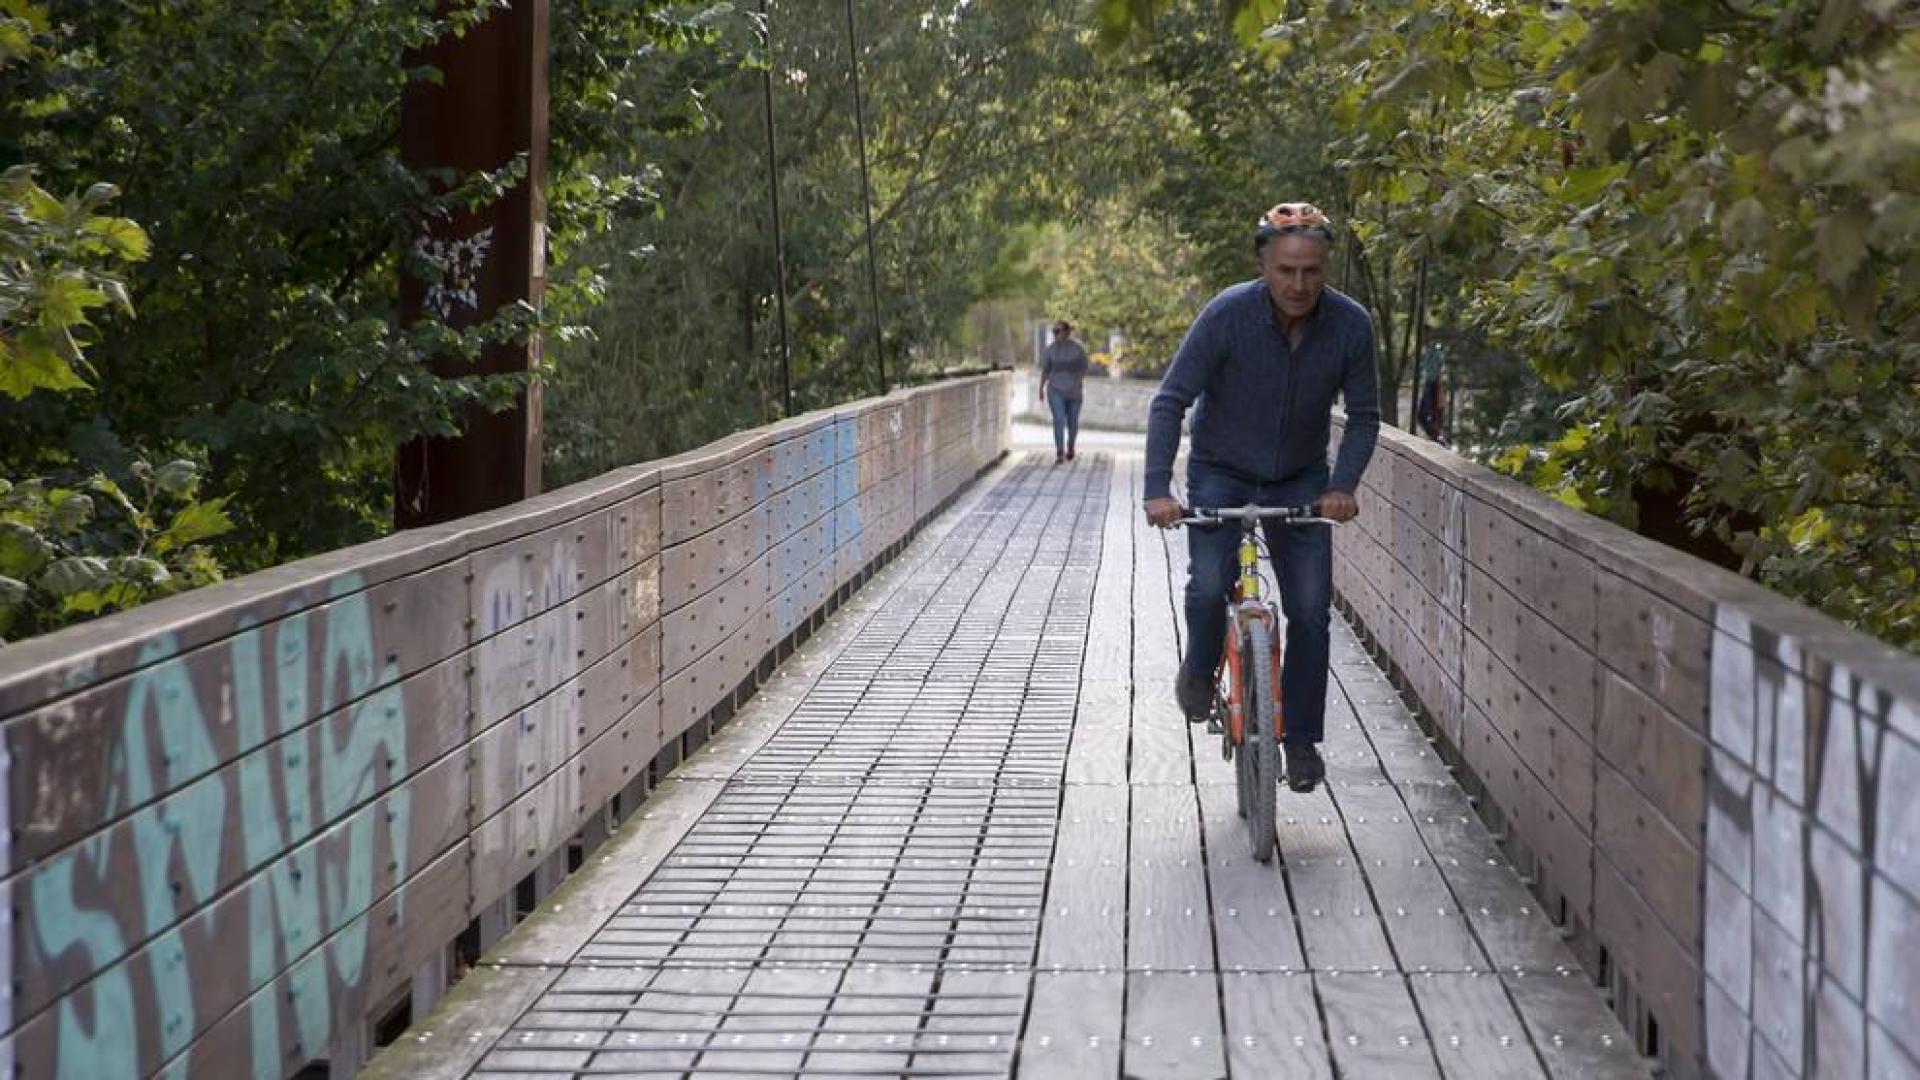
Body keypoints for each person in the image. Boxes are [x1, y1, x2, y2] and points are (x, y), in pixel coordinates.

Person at [1142, 201, 1380, 793]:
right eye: (1285, 271)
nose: (1298, 285)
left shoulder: (1351, 326)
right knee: (1205, 583)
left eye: (1312, 272)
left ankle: (1298, 738)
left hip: (1300, 476)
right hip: (1222, 468)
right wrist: (1156, 491)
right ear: (1263, 265)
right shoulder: (1226, 316)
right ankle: (1199, 669)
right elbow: (1170, 400)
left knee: (1308, 610)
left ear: (1326, 270)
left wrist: (1341, 486)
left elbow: (1365, 417)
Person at [1039, 320, 1090, 463]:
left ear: (1067, 332)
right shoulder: (1050, 350)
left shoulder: (1078, 349)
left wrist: (1078, 380)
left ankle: (1071, 444)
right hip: (1055, 390)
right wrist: (1041, 388)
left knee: (1073, 421)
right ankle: (1060, 451)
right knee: (1059, 419)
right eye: (1054, 331)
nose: (1056, 334)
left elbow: (1084, 367)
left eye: (1058, 331)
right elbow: (1045, 370)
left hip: (1074, 391)